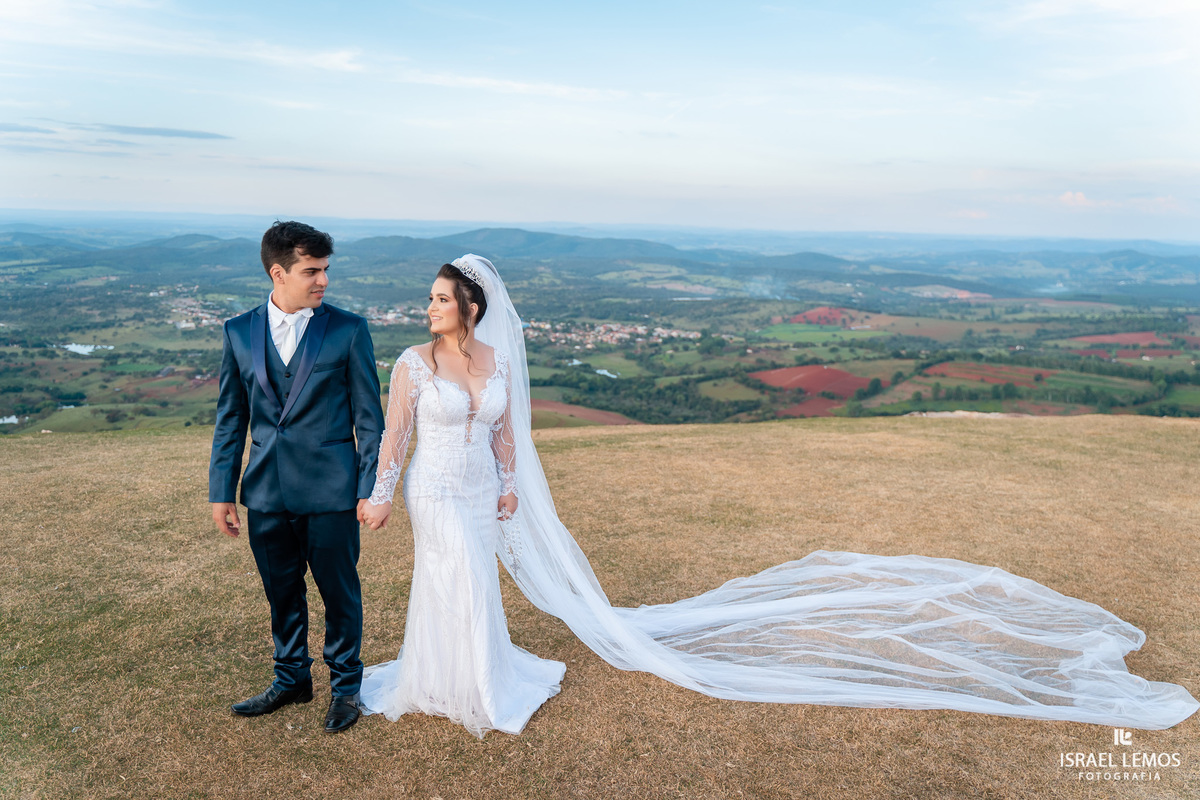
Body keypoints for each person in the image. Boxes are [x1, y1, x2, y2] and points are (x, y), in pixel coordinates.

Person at [361, 254, 1198, 738]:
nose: (428, 306)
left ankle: (478, 674)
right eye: (429, 299)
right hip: (434, 490)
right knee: (456, 577)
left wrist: (510, 487)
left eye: (439, 297)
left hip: (480, 489)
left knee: (471, 577)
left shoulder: (496, 365)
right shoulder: (411, 365)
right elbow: (396, 436)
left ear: (470, 304)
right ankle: (446, 682)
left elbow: (508, 437)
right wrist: (382, 495)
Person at [209, 220, 385, 734]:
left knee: (339, 593)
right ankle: (291, 680)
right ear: (278, 272)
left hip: (332, 491)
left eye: (326, 270)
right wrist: (222, 490)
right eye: (312, 271)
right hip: (265, 491)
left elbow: (368, 418)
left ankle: (346, 689)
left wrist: (368, 488)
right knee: (281, 591)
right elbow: (231, 419)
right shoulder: (238, 331)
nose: (323, 280)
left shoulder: (349, 330)